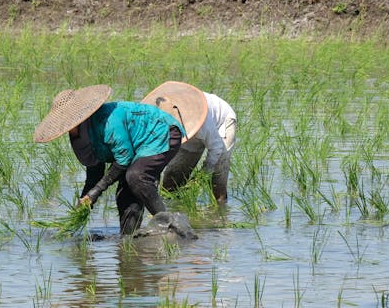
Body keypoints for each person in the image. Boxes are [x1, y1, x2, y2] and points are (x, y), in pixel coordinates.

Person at [33, 85, 185, 235]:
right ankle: (129, 239)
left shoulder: (108, 121)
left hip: (160, 131)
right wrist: (86, 200)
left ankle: (173, 227)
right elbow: (95, 170)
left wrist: (97, 191)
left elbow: (124, 159)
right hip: (136, 147)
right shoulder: (80, 136)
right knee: (125, 193)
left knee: (136, 177)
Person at [142, 81, 237, 204]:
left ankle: (218, 213)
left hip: (222, 121)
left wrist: (203, 174)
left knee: (217, 177)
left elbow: (216, 147)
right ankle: (173, 207)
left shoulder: (203, 125)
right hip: (189, 126)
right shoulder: (161, 119)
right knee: (173, 177)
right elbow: (155, 153)